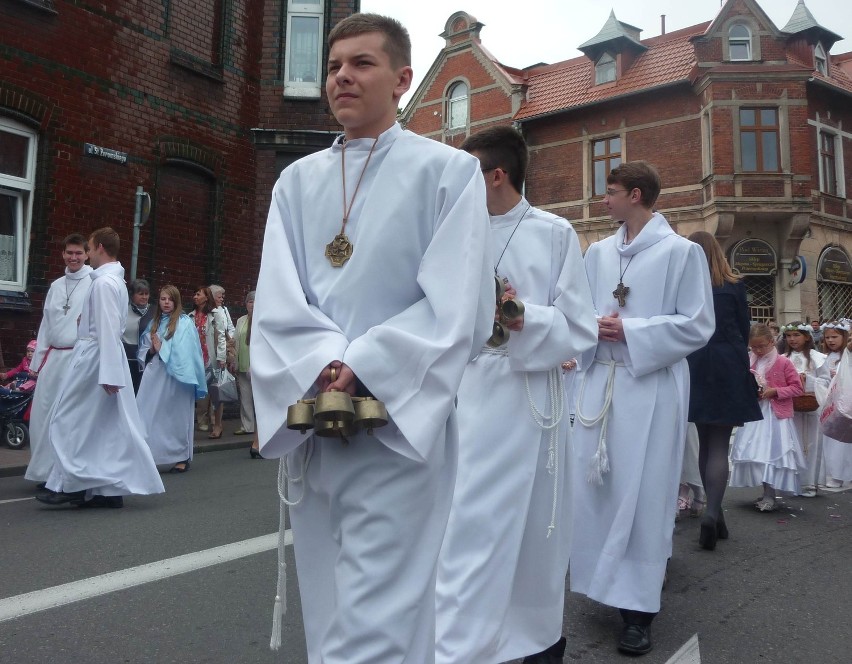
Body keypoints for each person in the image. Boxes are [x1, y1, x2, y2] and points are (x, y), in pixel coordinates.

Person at [251, 13, 493, 663]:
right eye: (333, 66)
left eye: (361, 63)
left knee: (377, 619)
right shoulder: (295, 182)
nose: (342, 77)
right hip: (316, 422)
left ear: (402, 79)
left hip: (395, 425)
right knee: (330, 607)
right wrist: (322, 363)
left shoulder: (447, 173)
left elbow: (459, 307)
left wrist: (361, 363)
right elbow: (277, 298)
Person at [434, 126, 597, 664]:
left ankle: (533, 639)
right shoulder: (453, 232)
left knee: (532, 531)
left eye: (467, 176)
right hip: (465, 392)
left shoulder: (552, 233)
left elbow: (580, 327)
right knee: (464, 526)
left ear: (495, 175)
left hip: (528, 400)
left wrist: (522, 316)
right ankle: (460, 643)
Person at [570, 161, 714, 656]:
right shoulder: (598, 253)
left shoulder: (682, 253)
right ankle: (598, 580)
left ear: (636, 195)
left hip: (650, 388)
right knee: (596, 491)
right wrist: (592, 325)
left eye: (609, 193)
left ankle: (638, 612)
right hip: (598, 385)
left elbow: (697, 324)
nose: (601, 201)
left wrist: (632, 331)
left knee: (646, 498)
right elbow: (578, 311)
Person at [37, 227, 164, 509]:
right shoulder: (111, 281)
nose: (88, 254)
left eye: (90, 249)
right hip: (99, 355)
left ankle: (73, 484)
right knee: (102, 426)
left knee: (67, 420)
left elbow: (106, 329)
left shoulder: (104, 284)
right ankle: (105, 489)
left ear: (101, 249)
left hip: (94, 358)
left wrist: (109, 373)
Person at [685, 230, 762, 550]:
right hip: (728, 364)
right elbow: (744, 329)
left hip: (696, 364)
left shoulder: (687, 287)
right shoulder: (734, 286)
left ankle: (712, 513)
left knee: (705, 442)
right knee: (719, 446)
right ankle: (713, 514)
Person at [24, 234, 93, 487]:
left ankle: (64, 472)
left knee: (67, 418)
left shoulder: (93, 283)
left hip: (78, 359)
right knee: (42, 415)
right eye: (69, 253)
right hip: (53, 358)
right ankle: (43, 471)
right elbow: (45, 325)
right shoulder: (55, 286)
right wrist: (36, 364)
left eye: (78, 253)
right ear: (63, 254)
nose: (73, 257)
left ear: (87, 254)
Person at [729, 323, 805, 511]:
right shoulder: (749, 360)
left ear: (772, 342)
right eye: (754, 347)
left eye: (761, 346)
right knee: (758, 453)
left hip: (775, 416)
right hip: (755, 413)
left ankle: (771, 495)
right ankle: (766, 491)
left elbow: (797, 387)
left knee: (772, 453)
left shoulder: (783, 362)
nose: (758, 350)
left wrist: (775, 391)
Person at [137, 285, 207, 473]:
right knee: (147, 414)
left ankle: (181, 456)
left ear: (176, 301)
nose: (166, 303)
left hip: (177, 378)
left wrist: (163, 349)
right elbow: (145, 350)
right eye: (162, 299)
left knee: (175, 417)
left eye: (170, 299)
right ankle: (148, 454)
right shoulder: (155, 322)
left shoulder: (184, 323)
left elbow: (186, 353)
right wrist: (152, 349)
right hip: (155, 374)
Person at [780, 322, 826, 496]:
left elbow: (827, 382)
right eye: (789, 336)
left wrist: (808, 380)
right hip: (791, 408)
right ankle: (793, 482)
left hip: (812, 405)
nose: (792, 339)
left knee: (812, 444)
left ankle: (809, 483)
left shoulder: (818, 358)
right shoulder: (783, 358)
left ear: (807, 337)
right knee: (791, 444)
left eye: (796, 335)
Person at [816, 322, 852, 488]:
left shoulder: (847, 356)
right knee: (833, 440)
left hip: (847, 403)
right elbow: (820, 379)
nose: (830, 340)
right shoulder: (824, 357)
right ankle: (835, 474)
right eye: (827, 337)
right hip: (832, 404)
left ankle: (847, 474)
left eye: (834, 337)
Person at [189, 286, 227, 438]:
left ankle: (217, 425)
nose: (195, 296)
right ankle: (201, 421)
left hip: (212, 359)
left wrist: (221, 357)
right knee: (199, 393)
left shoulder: (215, 314)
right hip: (197, 361)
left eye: (198, 294)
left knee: (216, 393)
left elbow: (221, 335)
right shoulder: (191, 316)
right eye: (195, 294)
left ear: (206, 297)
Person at [233, 291, 259, 452]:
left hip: (257, 366)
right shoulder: (241, 320)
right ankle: (247, 425)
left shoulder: (262, 320)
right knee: (245, 397)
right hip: (242, 364)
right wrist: (233, 361)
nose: (252, 304)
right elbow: (235, 341)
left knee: (259, 398)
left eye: (255, 302)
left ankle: (262, 427)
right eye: (250, 302)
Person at [123, 278, 153, 393]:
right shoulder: (124, 311)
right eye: (140, 294)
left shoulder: (153, 312)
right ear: (132, 295)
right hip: (126, 360)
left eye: (146, 294)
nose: (144, 297)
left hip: (146, 360)